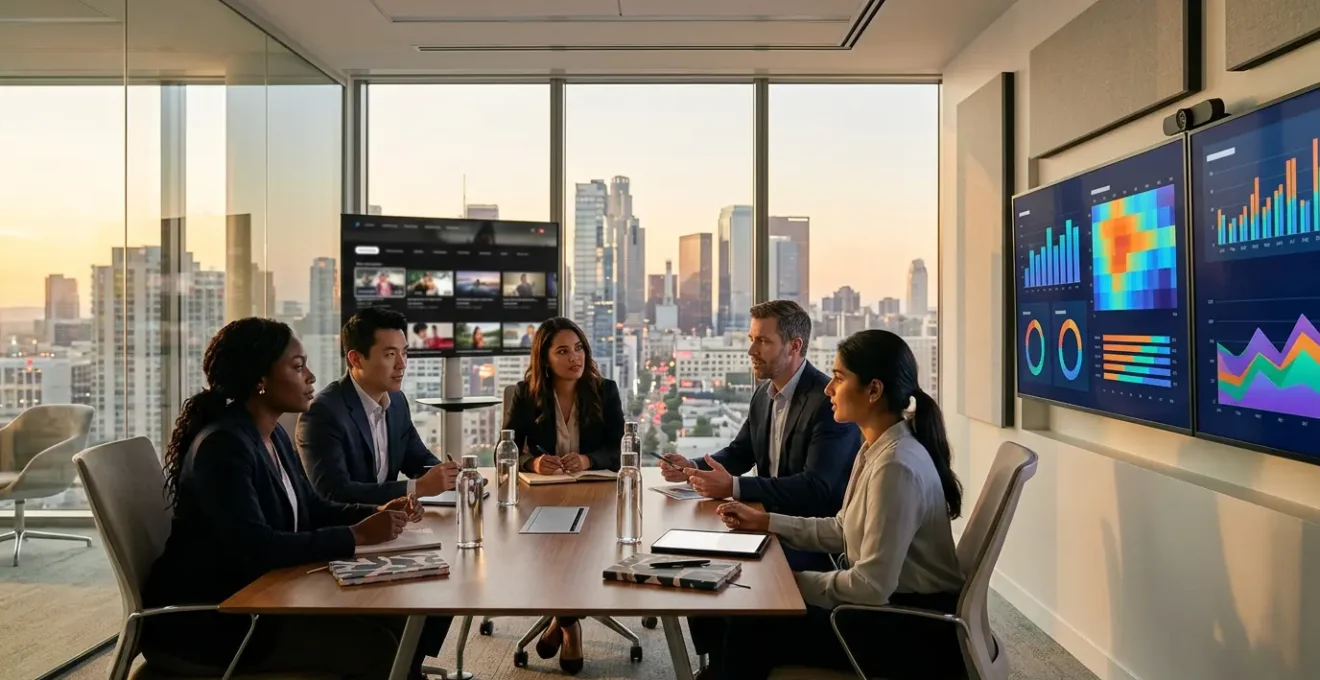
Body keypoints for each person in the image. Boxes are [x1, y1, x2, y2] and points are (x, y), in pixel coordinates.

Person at [141, 318, 451, 680]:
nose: (311, 377)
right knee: (377, 645)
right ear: (260, 379)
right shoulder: (223, 446)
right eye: (298, 366)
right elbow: (258, 547)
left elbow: (313, 508)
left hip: (266, 597)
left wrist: (377, 513)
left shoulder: (270, 435)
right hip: (215, 624)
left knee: (402, 616)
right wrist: (357, 536)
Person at [691, 330, 967, 680]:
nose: (828, 389)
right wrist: (765, 521)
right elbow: (841, 528)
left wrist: (789, 583)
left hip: (907, 629)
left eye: (838, 378)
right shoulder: (876, 448)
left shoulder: (896, 466)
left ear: (874, 390)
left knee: (753, 622)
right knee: (742, 611)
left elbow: (871, 587)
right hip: (888, 612)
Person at [660, 299, 860, 569]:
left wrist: (734, 486)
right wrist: (692, 467)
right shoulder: (764, 395)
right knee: (692, 559)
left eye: (764, 341)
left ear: (794, 346)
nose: (751, 350)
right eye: (751, 339)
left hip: (808, 542)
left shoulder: (827, 402)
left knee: (713, 573)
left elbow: (816, 487)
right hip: (764, 523)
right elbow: (741, 452)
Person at [502, 316, 625, 674]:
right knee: (553, 552)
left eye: (579, 348)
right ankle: (571, 625)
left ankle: (564, 623)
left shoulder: (606, 391)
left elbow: (622, 451)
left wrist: (589, 458)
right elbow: (505, 448)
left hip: (597, 495)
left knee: (581, 555)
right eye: (563, 351)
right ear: (545, 359)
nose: (575, 357)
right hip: (545, 496)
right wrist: (534, 461)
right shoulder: (527, 394)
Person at [297, 307, 459, 505]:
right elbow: (334, 493)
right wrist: (418, 488)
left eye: (404, 353)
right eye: (390, 354)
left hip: (389, 525)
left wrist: (452, 476)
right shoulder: (324, 413)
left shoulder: (397, 401)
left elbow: (417, 459)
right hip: (349, 531)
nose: (402, 364)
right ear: (356, 359)